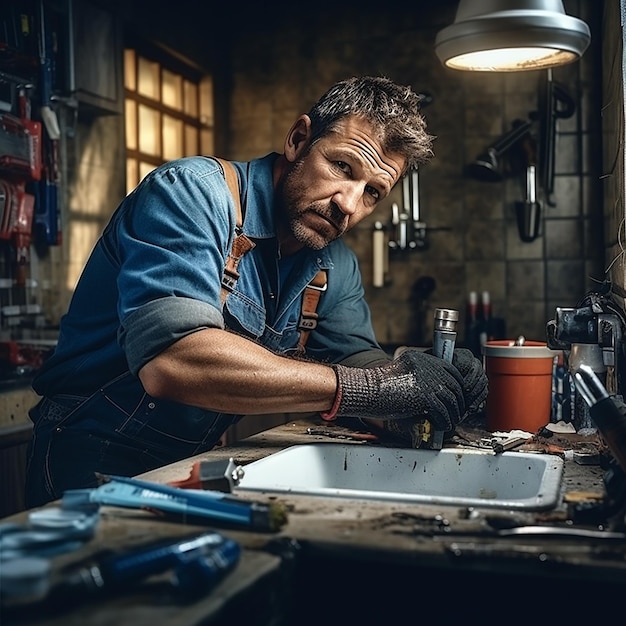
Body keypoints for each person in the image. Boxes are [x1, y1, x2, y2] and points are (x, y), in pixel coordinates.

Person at [25, 76, 488, 507]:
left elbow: (356, 362)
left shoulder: (333, 262)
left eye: (372, 193)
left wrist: (419, 384)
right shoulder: (192, 193)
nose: (348, 203)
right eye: (341, 166)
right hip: (87, 454)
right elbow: (173, 361)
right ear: (298, 140)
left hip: (192, 462)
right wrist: (375, 388)